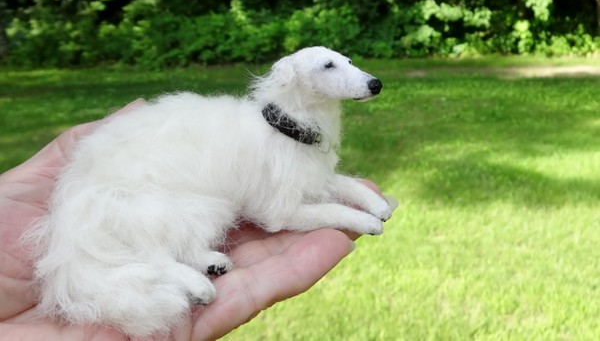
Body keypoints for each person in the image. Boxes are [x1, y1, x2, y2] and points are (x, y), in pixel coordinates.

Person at [0, 99, 383, 341]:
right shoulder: (256, 136)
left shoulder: (262, 135)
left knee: (209, 213)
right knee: (197, 214)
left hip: (157, 186)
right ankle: (171, 264)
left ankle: (186, 261)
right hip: (135, 186)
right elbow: (277, 210)